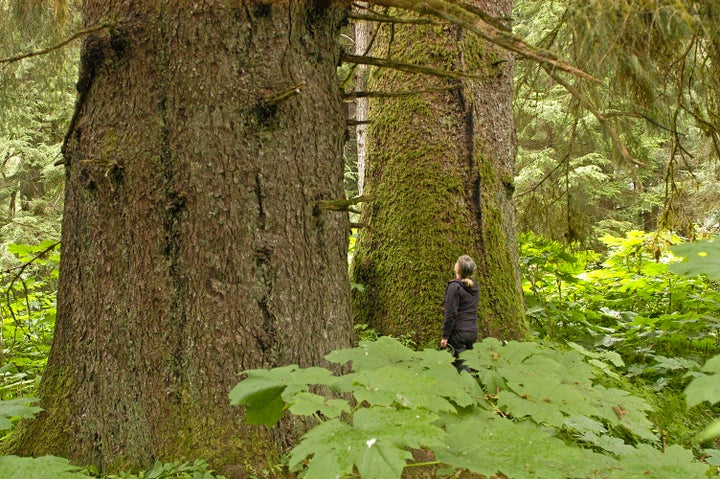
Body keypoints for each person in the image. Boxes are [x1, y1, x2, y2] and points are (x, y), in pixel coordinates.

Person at [441, 255, 479, 372]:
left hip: (458, 334)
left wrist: (445, 336)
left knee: (462, 369)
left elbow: (450, 313)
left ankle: (467, 388)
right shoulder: (474, 285)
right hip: (472, 331)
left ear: (458, 269)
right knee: (467, 364)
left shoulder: (454, 287)